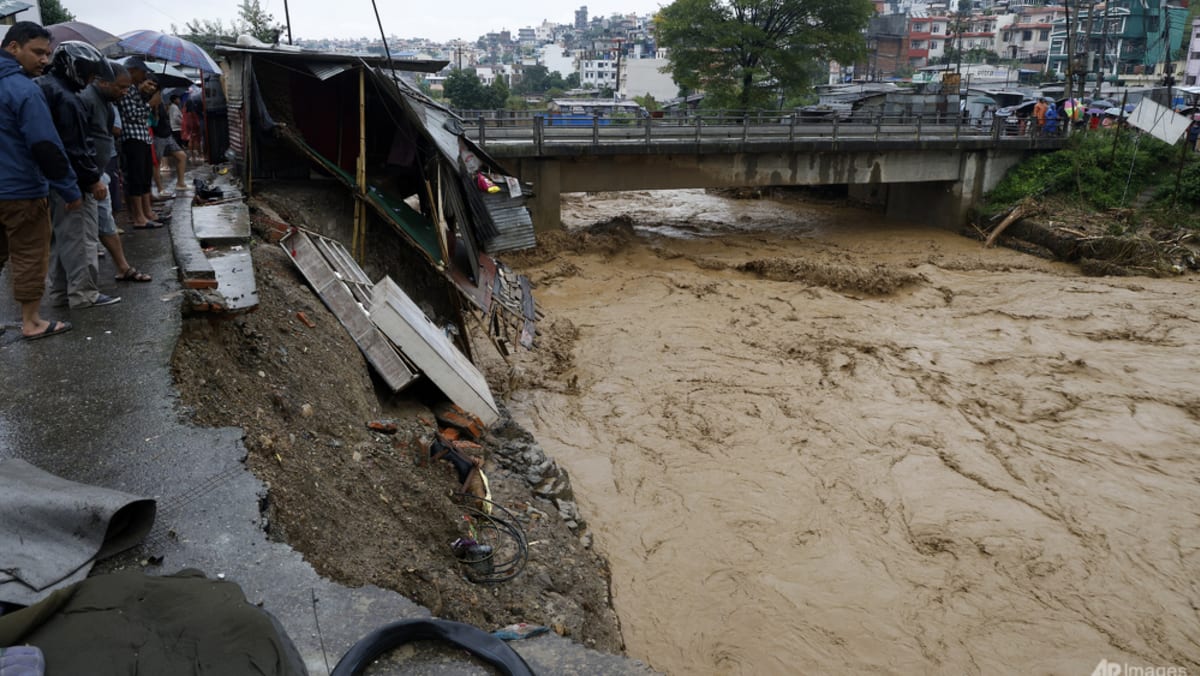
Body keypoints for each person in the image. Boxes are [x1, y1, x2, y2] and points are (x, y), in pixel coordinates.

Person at [0, 21, 80, 339]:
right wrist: (69, 188)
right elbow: (45, 145)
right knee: (30, 253)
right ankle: (31, 321)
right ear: (13, 47)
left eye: (47, 53)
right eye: (38, 52)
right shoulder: (24, 90)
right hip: (21, 191)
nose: (44, 60)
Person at [37, 40, 119, 310]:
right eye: (89, 73)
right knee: (81, 237)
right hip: (72, 181)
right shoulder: (67, 98)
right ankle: (84, 293)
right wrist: (92, 179)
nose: (90, 80)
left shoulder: (45, 88)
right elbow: (76, 147)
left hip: (50, 180)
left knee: (61, 240)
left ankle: (62, 293)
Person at [81, 60, 150, 283]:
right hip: (87, 175)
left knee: (106, 221)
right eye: (121, 87)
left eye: (127, 88)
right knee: (84, 231)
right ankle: (83, 290)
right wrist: (92, 177)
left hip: (99, 172)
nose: (125, 92)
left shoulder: (107, 103)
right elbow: (79, 143)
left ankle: (123, 267)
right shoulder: (86, 100)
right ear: (102, 82)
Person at [114, 57, 162, 228]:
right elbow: (132, 114)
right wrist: (150, 105)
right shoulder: (126, 89)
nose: (144, 75)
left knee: (144, 177)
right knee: (135, 178)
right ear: (133, 70)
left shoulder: (135, 89)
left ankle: (147, 212)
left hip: (142, 137)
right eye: (142, 72)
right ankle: (139, 217)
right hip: (132, 138)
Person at [150, 91, 187, 192]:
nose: (159, 95)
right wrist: (155, 108)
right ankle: (160, 189)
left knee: (182, 156)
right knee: (156, 163)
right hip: (158, 137)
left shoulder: (162, 103)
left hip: (168, 135)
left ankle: (181, 183)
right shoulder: (150, 105)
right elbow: (152, 122)